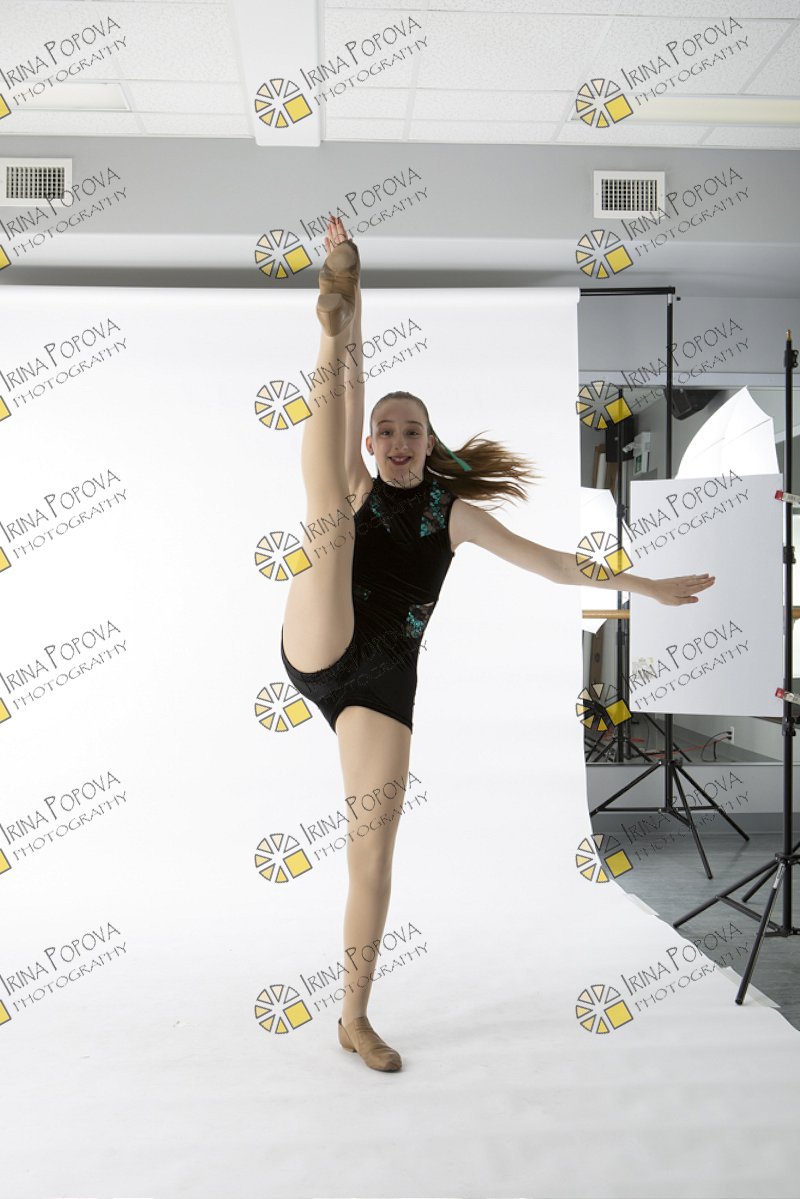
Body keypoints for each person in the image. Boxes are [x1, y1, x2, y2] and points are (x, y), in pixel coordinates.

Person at [280, 216, 715, 1073]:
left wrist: (646, 584)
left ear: (429, 442)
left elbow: (553, 563)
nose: (397, 441)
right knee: (328, 511)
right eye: (386, 430)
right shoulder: (359, 477)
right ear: (372, 441)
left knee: (373, 855)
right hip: (324, 632)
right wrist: (347, 293)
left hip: (383, 683)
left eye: (411, 430)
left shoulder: (458, 514)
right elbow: (354, 392)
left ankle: (354, 1018)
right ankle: (322, 325)